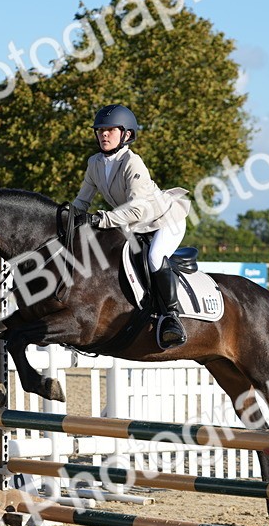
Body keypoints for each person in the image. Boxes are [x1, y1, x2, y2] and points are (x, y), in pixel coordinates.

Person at [72, 104, 191, 349]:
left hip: (165, 220)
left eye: (110, 130)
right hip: (135, 225)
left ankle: (172, 317)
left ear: (126, 134)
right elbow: (82, 201)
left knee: (155, 257)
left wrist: (102, 219)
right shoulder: (94, 163)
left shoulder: (132, 163)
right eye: (100, 130)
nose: (103, 135)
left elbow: (137, 209)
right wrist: (65, 220)